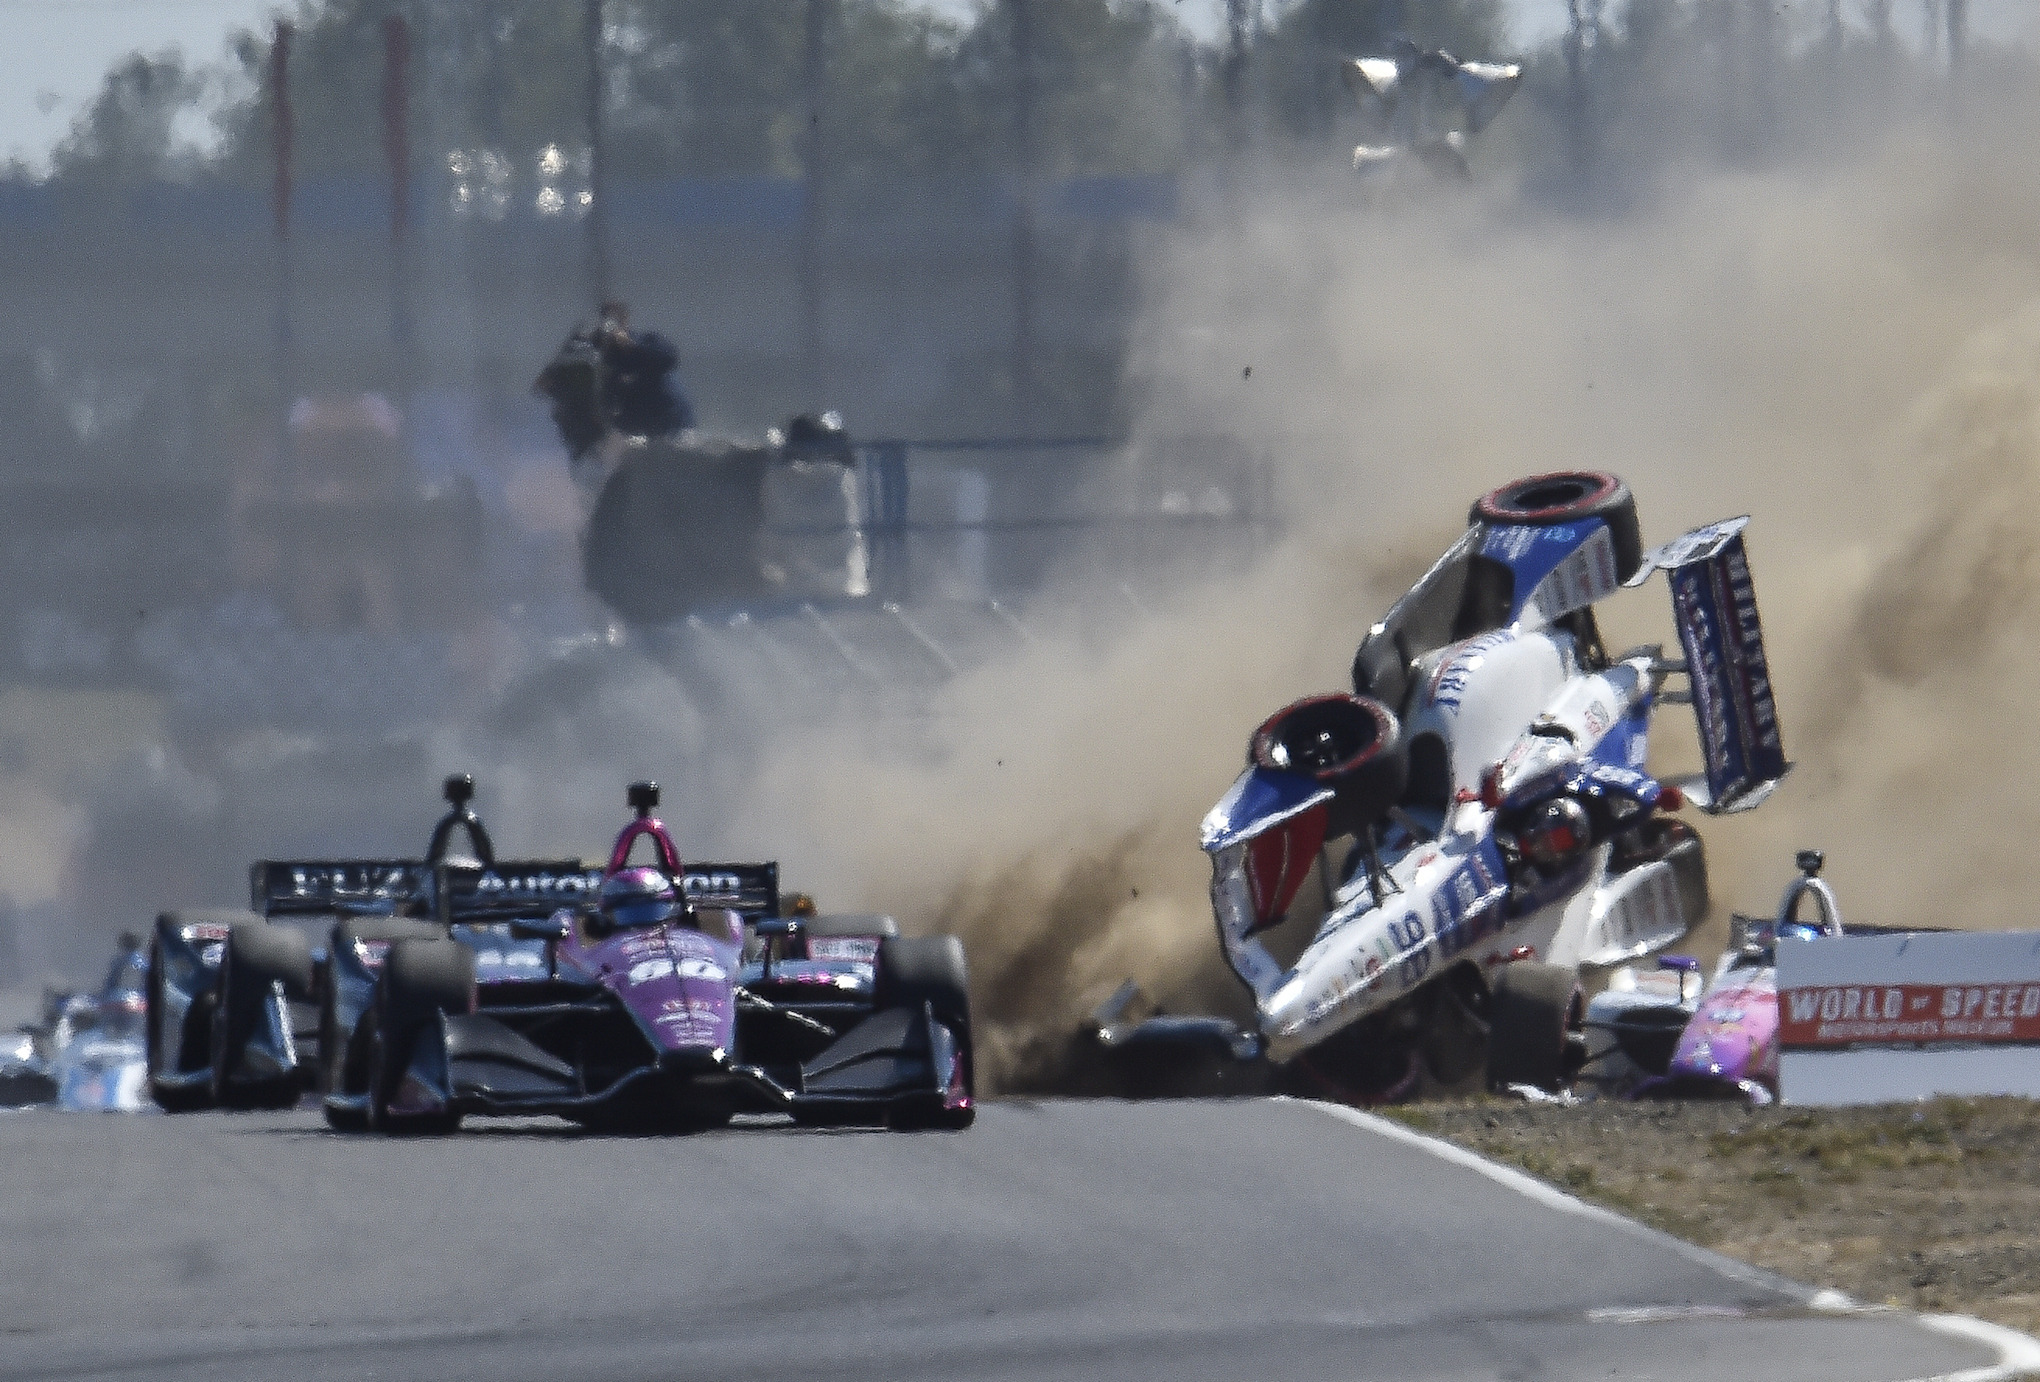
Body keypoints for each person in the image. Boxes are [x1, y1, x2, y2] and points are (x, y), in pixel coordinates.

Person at [593, 300, 694, 440]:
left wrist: (631, 346)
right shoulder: (607, 357)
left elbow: (669, 359)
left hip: (670, 421)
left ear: (625, 320)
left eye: (616, 321)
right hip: (637, 428)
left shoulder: (648, 341)